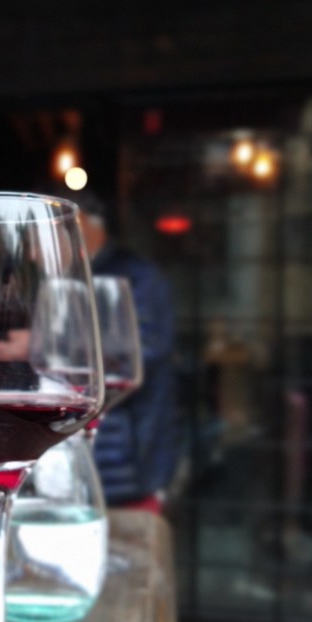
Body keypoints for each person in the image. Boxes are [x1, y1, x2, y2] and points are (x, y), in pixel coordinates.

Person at [75, 190, 177, 513]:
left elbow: (143, 350)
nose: (35, 251)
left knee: (125, 531)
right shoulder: (66, 276)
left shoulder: (137, 276)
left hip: (128, 458)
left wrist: (43, 345)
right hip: (77, 448)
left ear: (80, 224)